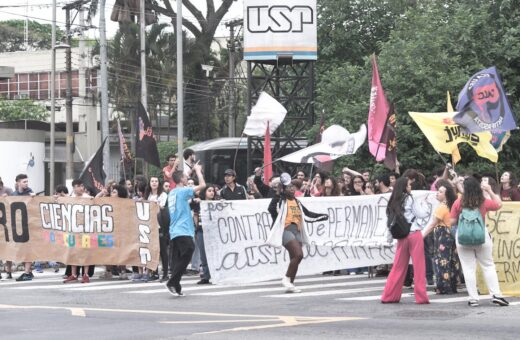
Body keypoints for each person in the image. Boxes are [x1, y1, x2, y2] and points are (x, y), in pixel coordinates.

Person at [450, 177, 509, 307]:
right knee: (488, 265)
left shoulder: (458, 202)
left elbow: (452, 221)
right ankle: (496, 295)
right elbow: (499, 204)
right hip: (481, 236)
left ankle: (473, 299)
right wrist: (490, 191)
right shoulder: (483, 201)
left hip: (463, 237)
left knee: (468, 268)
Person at [267, 174, 328, 293]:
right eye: (289, 187)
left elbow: (308, 214)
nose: (292, 189)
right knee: (299, 254)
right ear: (284, 189)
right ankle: (286, 279)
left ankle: (290, 284)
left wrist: (322, 216)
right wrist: (278, 193)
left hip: (297, 231)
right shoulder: (281, 200)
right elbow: (271, 209)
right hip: (285, 230)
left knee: (294, 258)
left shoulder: (297, 202)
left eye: (293, 187)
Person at [381, 177, 430, 304]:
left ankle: (389, 296)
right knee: (419, 267)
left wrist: (389, 238)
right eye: (409, 185)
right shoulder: (410, 198)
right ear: (404, 187)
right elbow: (421, 214)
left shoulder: (393, 200)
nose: (410, 187)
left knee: (398, 267)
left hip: (402, 236)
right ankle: (421, 297)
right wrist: (424, 203)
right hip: (414, 234)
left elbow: (390, 221)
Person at [165, 163, 205, 297]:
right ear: (181, 180)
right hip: (182, 229)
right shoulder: (182, 191)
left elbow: (185, 201)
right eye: (185, 177)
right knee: (188, 252)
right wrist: (198, 171)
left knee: (180, 258)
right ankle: (172, 282)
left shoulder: (172, 193)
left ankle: (176, 285)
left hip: (175, 230)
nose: (187, 179)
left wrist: (191, 171)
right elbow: (203, 186)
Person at [422, 180, 459, 294]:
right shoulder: (453, 205)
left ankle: (443, 286)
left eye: (440, 192)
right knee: (453, 260)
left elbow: (433, 224)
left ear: (446, 194)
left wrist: (421, 235)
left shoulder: (442, 207)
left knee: (442, 260)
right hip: (452, 234)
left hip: (443, 235)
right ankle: (452, 285)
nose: (437, 193)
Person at [63, 179, 93, 284]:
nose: (81, 188)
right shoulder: (70, 198)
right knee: (73, 252)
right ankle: (74, 274)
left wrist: (101, 194)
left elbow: (96, 202)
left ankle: (85, 274)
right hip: (73, 230)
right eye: (79, 186)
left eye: (82, 186)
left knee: (85, 252)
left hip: (85, 231)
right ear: (74, 187)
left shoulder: (88, 198)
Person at [11, 174, 36, 281]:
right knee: (20, 250)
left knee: (27, 250)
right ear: (18, 183)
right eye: (24, 182)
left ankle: (26, 273)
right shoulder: (14, 194)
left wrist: (34, 198)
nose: (26, 183)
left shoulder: (30, 193)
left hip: (29, 226)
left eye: (27, 181)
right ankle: (29, 271)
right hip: (17, 227)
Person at [193, 184, 219, 284]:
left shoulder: (217, 204)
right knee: (203, 255)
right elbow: (195, 216)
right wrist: (196, 228)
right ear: (205, 192)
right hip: (201, 231)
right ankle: (206, 276)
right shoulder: (199, 203)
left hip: (213, 231)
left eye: (213, 191)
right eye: (209, 190)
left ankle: (216, 275)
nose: (212, 192)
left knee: (215, 253)